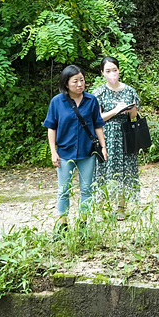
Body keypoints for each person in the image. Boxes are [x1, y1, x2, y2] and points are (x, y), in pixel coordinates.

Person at [43, 64, 107, 230]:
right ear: (66, 83)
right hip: (65, 153)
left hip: (87, 152)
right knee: (63, 190)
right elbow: (52, 127)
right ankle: (63, 226)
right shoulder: (57, 102)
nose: (80, 84)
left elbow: (98, 125)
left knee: (86, 189)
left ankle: (83, 224)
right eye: (75, 81)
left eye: (82, 80)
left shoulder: (91, 100)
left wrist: (103, 147)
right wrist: (53, 152)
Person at [93, 56, 140, 218]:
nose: (112, 73)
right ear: (102, 73)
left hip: (125, 133)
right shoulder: (99, 92)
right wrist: (115, 111)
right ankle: (101, 207)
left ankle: (121, 207)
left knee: (125, 169)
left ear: (119, 70)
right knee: (104, 169)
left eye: (114, 70)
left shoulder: (129, 91)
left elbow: (134, 117)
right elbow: (96, 119)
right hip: (106, 135)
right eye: (108, 71)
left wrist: (130, 110)